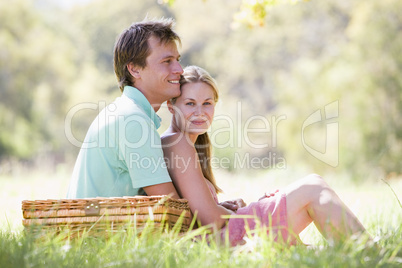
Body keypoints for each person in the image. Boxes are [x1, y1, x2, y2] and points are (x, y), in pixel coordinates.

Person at [161, 65, 369, 246]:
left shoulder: (182, 142)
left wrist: (218, 206)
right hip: (220, 241)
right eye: (190, 103)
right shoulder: (178, 142)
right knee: (312, 187)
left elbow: (198, 211)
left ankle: (363, 252)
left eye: (207, 103)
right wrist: (248, 208)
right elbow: (212, 221)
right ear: (171, 106)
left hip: (222, 235)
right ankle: (372, 253)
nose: (200, 111)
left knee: (315, 226)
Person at [67, 18, 183, 199]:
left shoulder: (126, 111)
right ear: (135, 69)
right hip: (97, 226)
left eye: (177, 60)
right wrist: (218, 214)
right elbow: (171, 208)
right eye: (167, 61)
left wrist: (216, 207)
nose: (179, 69)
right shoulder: (133, 120)